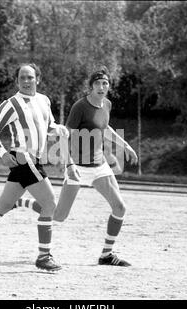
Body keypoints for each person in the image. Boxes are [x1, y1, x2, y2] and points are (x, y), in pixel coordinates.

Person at [14, 66, 138, 267]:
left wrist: (126, 146)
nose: (101, 86)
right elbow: (64, 134)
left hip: (100, 167)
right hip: (78, 168)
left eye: (105, 83)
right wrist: (68, 162)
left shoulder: (107, 104)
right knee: (59, 216)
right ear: (90, 87)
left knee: (120, 207)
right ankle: (22, 202)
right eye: (97, 83)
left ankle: (106, 254)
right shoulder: (80, 107)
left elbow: (105, 128)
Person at [0, 63, 69, 271]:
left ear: (38, 79)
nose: (26, 81)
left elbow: (49, 127)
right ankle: (44, 256)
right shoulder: (11, 104)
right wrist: (3, 153)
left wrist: (59, 129)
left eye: (30, 77)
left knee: (2, 207)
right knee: (50, 204)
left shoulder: (44, 100)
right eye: (22, 78)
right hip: (24, 159)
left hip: (32, 161)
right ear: (17, 81)